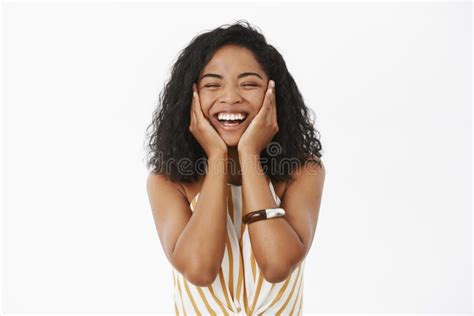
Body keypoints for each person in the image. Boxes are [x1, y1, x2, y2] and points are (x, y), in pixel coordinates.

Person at [145, 20, 325, 315]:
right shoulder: (167, 181)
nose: (230, 97)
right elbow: (200, 270)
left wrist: (249, 154)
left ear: (273, 94)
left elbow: (277, 265)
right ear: (190, 99)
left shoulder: (303, 172)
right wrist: (217, 155)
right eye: (212, 84)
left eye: (249, 83)